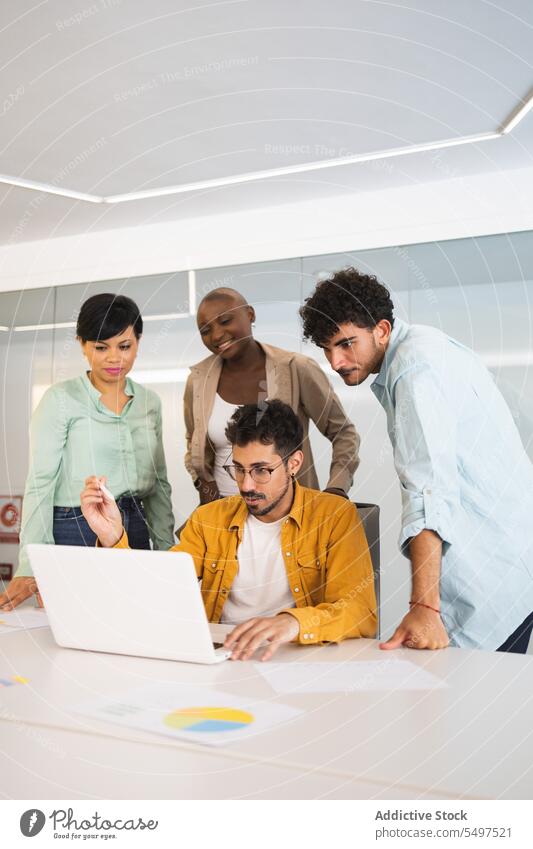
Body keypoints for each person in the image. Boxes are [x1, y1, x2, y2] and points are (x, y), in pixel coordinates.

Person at [300, 267, 533, 653]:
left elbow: (428, 491)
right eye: (327, 350)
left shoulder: (413, 371)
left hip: (493, 573)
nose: (336, 362)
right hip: (511, 555)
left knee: (465, 704)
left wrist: (424, 606)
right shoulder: (429, 344)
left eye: (346, 344)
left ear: (383, 330)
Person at [80, 400, 376, 661]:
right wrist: (113, 537)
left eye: (261, 470)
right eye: (238, 469)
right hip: (224, 656)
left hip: (297, 656)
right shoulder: (209, 519)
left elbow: (359, 612)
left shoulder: (335, 516)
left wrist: (292, 623)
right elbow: (158, 585)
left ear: (294, 463)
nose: (246, 485)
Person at [0, 293, 175, 611]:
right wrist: (29, 565)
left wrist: (167, 551)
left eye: (124, 346)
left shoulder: (150, 403)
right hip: (73, 526)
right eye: (100, 347)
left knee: (136, 616)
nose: (114, 358)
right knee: (76, 622)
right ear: (82, 344)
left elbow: (159, 484)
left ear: (138, 342)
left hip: (135, 523)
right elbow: (40, 482)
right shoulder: (60, 400)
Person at [184, 287, 360, 505]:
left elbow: (343, 433)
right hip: (224, 515)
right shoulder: (198, 381)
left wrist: (337, 488)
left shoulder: (296, 368)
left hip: (289, 511)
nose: (217, 335)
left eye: (225, 321)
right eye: (205, 330)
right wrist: (204, 484)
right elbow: (193, 443)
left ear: (250, 314)